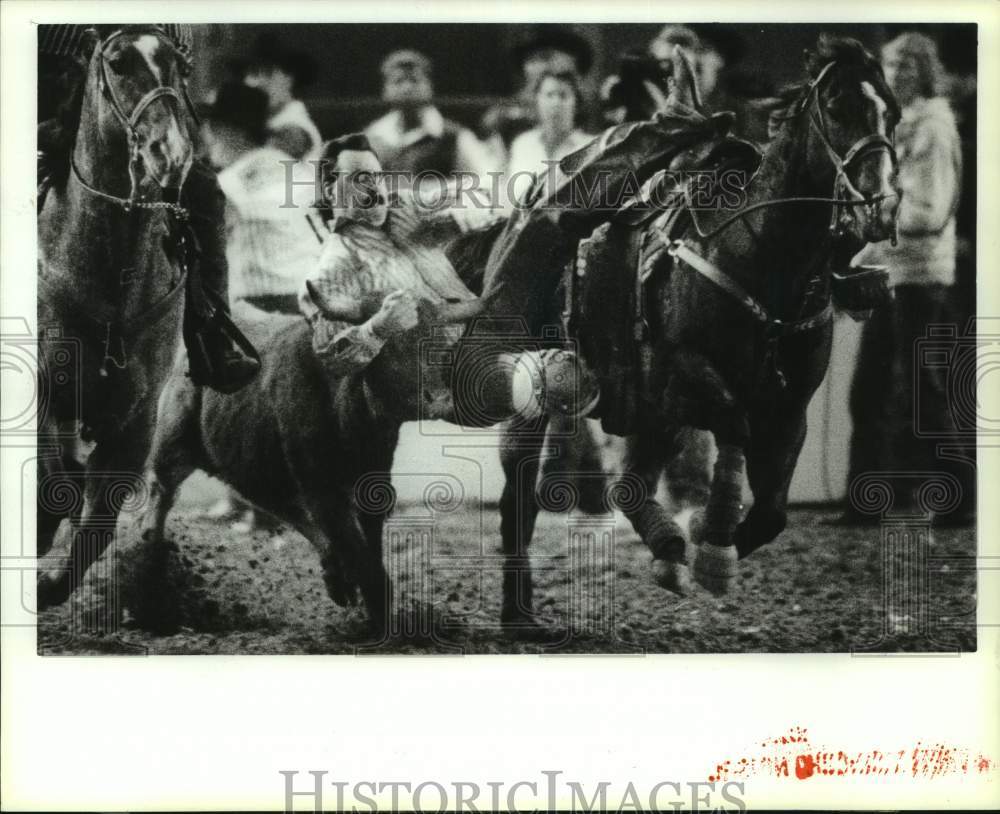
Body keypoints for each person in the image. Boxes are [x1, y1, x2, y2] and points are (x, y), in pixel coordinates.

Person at [36, 23, 260, 394]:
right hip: (57, 114)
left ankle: (213, 331)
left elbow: (172, 87)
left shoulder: (172, 24)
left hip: (148, 124)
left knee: (204, 191)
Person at [833, 32, 974, 526]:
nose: (896, 75)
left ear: (925, 73)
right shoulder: (899, 125)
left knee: (919, 390)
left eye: (908, 67)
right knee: (874, 391)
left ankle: (959, 500)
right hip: (892, 273)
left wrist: (874, 212)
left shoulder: (932, 127)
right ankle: (864, 503)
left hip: (920, 276)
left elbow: (930, 211)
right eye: (891, 66)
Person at [198, 82, 327, 528]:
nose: (210, 139)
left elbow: (234, 219)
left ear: (230, 130)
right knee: (293, 415)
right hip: (310, 301)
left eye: (213, 130)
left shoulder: (234, 178)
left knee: (254, 414)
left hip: (263, 304)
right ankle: (256, 504)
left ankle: (264, 510)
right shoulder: (292, 168)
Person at [365, 49, 496, 196]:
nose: (407, 88)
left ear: (429, 86)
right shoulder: (372, 137)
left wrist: (436, 190)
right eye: (398, 81)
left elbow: (486, 181)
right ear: (385, 90)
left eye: (414, 80)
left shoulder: (454, 136)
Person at [241, 32, 323, 161]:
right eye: (253, 73)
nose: (258, 82)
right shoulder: (263, 123)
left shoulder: (296, 127)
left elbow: (260, 163)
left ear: (290, 78)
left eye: (268, 73)